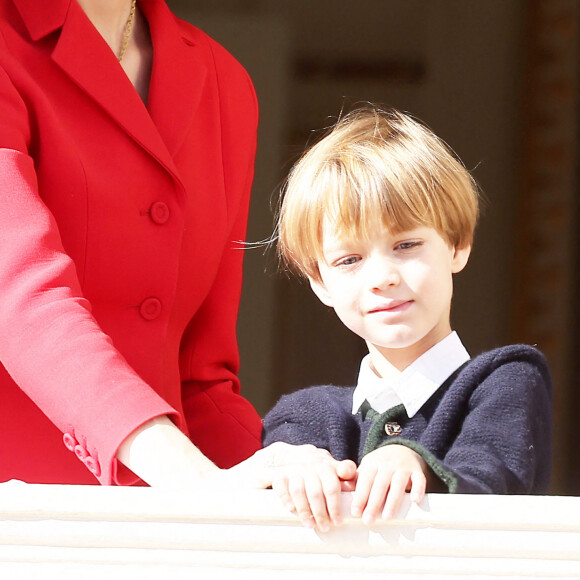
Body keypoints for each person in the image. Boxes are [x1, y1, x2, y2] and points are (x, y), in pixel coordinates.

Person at [0, 0, 276, 488]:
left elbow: (200, 379)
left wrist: (301, 476)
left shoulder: (222, 80)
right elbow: (19, 295)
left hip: (155, 524)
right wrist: (191, 480)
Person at [262, 107, 553, 532]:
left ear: (457, 245)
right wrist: (290, 469)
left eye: (406, 245)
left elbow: (492, 474)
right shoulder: (303, 416)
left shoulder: (506, 381)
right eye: (349, 259)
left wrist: (415, 460)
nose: (382, 278)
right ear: (319, 283)